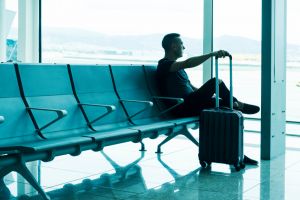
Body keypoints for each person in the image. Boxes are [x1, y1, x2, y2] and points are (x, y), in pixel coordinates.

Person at [157, 33, 259, 165]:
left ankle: (238, 154)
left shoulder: (177, 69)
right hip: (181, 107)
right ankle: (237, 103)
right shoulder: (164, 65)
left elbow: (191, 88)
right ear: (174, 46)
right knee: (215, 82)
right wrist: (212, 54)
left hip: (191, 103)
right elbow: (188, 63)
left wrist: (211, 96)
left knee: (225, 108)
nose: (184, 47)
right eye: (182, 44)